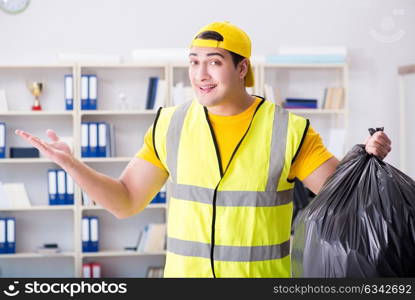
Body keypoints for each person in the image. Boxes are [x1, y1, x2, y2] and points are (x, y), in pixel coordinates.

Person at [16, 21, 392, 278]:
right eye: (194, 63)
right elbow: (125, 201)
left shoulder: (288, 130)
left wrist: (366, 157)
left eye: (214, 62)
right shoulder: (170, 125)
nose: (201, 74)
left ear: (242, 68)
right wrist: (71, 165)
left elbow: (342, 195)